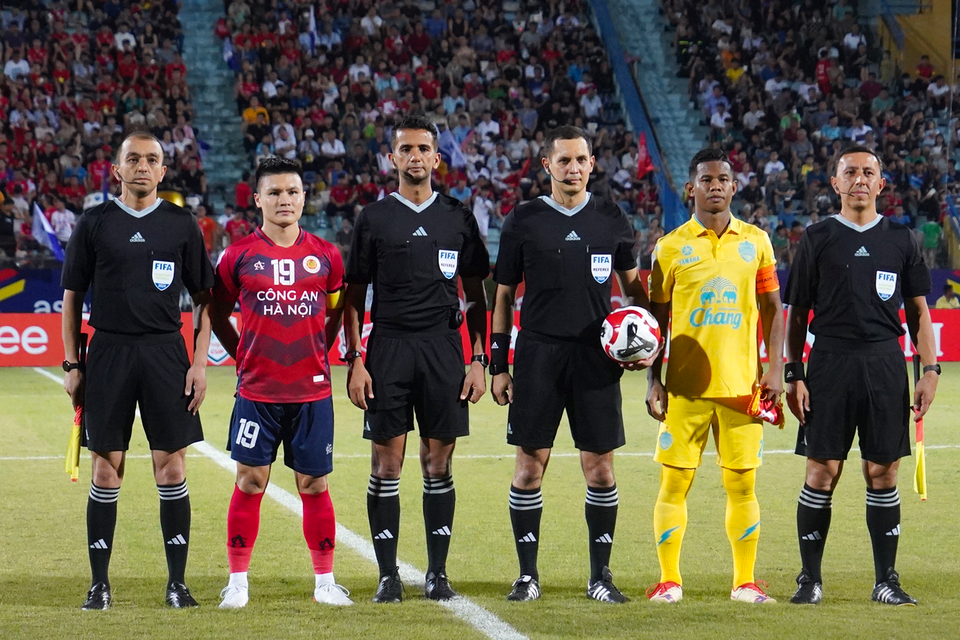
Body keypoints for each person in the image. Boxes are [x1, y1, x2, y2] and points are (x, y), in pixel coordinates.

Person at [491, 125, 658, 603]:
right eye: (562, 160)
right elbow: (503, 296)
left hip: (595, 359)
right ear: (547, 165)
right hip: (539, 355)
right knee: (528, 468)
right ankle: (527, 576)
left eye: (580, 160)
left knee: (600, 469)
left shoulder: (610, 217)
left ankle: (600, 577)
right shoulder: (523, 219)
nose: (572, 168)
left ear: (592, 163)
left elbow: (633, 293)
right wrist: (500, 364)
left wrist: (645, 343)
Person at [61, 131, 214, 610]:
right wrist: (71, 363)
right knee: (107, 470)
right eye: (134, 159)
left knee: (171, 467)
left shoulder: (181, 224)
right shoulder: (94, 222)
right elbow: (71, 298)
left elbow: (206, 299)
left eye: (152, 160)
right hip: (107, 352)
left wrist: (198, 362)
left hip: (166, 353)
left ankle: (177, 584)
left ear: (163, 171)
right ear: (117, 170)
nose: (143, 167)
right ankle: (99, 584)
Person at [343, 115, 490, 602]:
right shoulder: (373, 218)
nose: (415, 157)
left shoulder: (457, 215)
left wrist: (478, 360)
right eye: (405, 149)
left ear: (436, 157)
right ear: (392, 159)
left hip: (444, 350)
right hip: (387, 347)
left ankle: (438, 572)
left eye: (423, 149)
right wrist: (356, 359)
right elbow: (353, 294)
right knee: (386, 463)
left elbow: (475, 295)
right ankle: (387, 574)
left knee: (437, 463)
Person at [784, 145, 939, 606]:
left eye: (868, 172)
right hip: (829, 362)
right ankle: (809, 580)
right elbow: (796, 317)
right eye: (849, 172)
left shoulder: (902, 239)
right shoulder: (816, 237)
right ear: (834, 183)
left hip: (885, 364)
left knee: (883, 471)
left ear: (881, 183)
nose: (859, 179)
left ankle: (886, 580)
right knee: (821, 470)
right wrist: (794, 372)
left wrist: (929, 370)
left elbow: (919, 313)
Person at [211, 156, 352, 608]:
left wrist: (323, 350)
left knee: (313, 485)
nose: (284, 200)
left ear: (304, 198)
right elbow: (215, 312)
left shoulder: (327, 255)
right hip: (257, 392)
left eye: (292, 192)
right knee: (250, 482)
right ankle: (237, 583)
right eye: (274, 192)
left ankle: (325, 583)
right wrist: (241, 355)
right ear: (258, 200)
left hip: (312, 392)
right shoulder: (237, 256)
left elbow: (336, 312)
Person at [645, 147, 784, 605]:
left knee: (742, 483)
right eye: (707, 179)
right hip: (684, 389)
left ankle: (744, 582)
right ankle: (669, 581)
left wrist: (775, 369)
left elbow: (772, 310)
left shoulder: (757, 243)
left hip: (743, 389)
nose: (716, 186)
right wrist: (653, 380)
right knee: (674, 483)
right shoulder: (668, 248)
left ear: (734, 186)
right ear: (691, 188)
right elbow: (655, 322)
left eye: (724, 179)